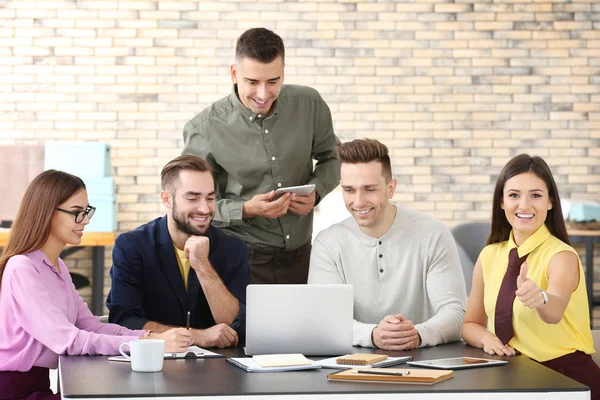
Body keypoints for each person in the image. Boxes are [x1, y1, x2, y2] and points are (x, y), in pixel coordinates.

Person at [0, 170, 190, 400]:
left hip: (38, 386)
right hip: (13, 391)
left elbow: (91, 326)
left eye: (86, 211)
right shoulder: (22, 268)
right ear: (47, 213)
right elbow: (68, 340)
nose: (86, 220)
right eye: (76, 213)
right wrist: (148, 342)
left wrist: (149, 335)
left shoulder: (56, 266)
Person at [182, 27, 340, 284]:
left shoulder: (309, 104)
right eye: (252, 82)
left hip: (303, 256)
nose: (263, 94)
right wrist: (245, 209)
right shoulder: (204, 128)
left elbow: (334, 157)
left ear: (283, 72)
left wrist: (317, 191)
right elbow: (190, 205)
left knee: (304, 326)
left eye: (273, 81)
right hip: (240, 258)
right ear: (234, 73)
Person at [462, 154, 600, 399]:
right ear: (502, 202)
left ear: (550, 202)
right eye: (514, 195)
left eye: (536, 195)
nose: (524, 205)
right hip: (511, 374)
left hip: (567, 378)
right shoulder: (489, 256)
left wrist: (541, 298)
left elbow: (554, 311)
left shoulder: (561, 256)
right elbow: (470, 324)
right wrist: (486, 338)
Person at [308, 139, 467, 350]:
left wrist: (417, 335)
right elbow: (323, 319)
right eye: (349, 190)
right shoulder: (327, 243)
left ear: (390, 188)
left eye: (369, 189)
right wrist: (373, 335)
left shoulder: (433, 234)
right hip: (351, 369)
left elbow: (455, 313)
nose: (358, 201)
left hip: (425, 365)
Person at [107, 155, 249, 348]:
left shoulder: (233, 248)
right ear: (167, 199)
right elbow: (124, 320)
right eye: (192, 198)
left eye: (210, 198)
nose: (204, 208)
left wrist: (203, 266)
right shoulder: (132, 246)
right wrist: (196, 337)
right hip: (153, 363)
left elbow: (238, 325)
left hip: (219, 369)